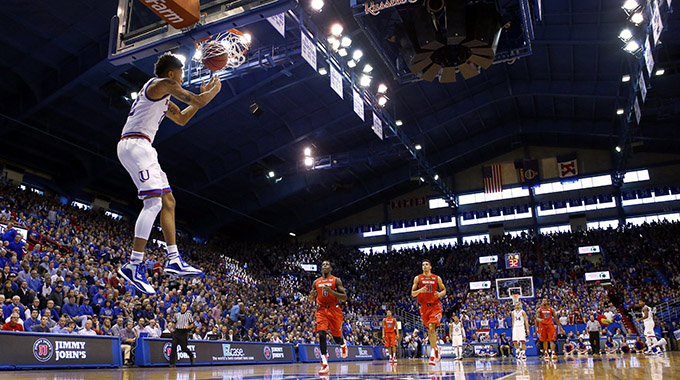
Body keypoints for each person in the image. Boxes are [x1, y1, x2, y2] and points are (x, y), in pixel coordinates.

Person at [117, 52, 222, 294]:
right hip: (134, 144)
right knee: (153, 202)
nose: (183, 79)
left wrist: (202, 99)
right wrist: (212, 93)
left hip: (144, 147)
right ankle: (133, 265)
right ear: (173, 74)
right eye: (182, 74)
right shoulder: (161, 84)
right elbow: (199, 100)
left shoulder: (163, 97)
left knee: (168, 201)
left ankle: (173, 259)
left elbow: (183, 118)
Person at [309, 261, 348, 375]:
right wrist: (311, 296)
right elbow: (311, 299)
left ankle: (342, 343)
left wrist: (331, 291)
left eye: (327, 265)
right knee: (321, 334)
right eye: (323, 265)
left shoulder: (336, 280)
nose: (324, 266)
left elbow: (344, 297)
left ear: (330, 268)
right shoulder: (316, 282)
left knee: (336, 338)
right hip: (321, 310)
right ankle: (325, 364)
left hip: (334, 310)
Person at [411, 259, 446, 366]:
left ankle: (432, 353)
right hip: (424, 308)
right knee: (430, 331)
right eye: (423, 265)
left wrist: (440, 294)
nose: (424, 266)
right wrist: (420, 290)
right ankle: (436, 349)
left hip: (435, 306)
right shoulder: (418, 278)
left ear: (430, 267)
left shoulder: (436, 278)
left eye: (426, 264)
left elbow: (444, 290)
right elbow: (413, 293)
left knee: (432, 327)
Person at [170, 302, 195, 367]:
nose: (184, 307)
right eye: (183, 306)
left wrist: (189, 327)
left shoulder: (188, 315)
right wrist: (172, 328)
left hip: (184, 332)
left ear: (186, 308)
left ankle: (191, 355)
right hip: (177, 332)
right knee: (173, 347)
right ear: (180, 307)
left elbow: (192, 324)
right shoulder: (177, 315)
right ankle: (172, 363)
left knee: (184, 348)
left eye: (185, 307)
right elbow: (175, 323)